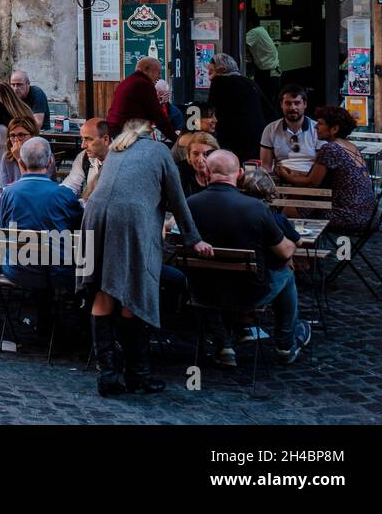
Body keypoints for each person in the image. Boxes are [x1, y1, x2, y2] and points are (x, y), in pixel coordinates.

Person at [79, 118, 213, 396]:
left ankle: (108, 376)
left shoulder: (116, 148)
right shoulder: (159, 151)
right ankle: (137, 375)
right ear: (151, 134)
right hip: (130, 220)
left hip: (94, 216)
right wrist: (194, 238)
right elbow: (177, 198)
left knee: (103, 290)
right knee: (132, 291)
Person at [187, 150, 312, 365]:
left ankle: (223, 346)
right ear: (240, 173)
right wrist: (293, 242)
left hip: (203, 291)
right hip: (249, 294)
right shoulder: (256, 208)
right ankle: (285, 344)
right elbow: (284, 252)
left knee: (209, 280)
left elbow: (171, 229)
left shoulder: (189, 204)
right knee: (287, 274)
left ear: (207, 172)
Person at [0, 137, 84, 338]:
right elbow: (78, 228)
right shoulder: (62, 194)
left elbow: (0, 230)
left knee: (39, 257)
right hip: (56, 271)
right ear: (51, 161)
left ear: (21, 162)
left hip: (17, 268)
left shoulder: (9, 193)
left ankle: (45, 321)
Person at [275, 104, 378, 235]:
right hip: (368, 216)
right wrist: (295, 173)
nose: (315, 127)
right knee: (299, 201)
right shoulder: (350, 146)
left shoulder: (331, 149)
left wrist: (286, 176)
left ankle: (297, 250)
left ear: (334, 129)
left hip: (349, 217)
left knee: (290, 209)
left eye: (320, 123)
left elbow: (312, 183)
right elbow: (318, 176)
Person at [206, 53, 273, 163]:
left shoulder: (219, 82)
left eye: (211, 71)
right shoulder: (250, 83)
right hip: (257, 140)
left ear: (221, 70)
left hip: (232, 141)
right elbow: (269, 111)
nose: (209, 75)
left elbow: (211, 112)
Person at [105, 57, 178, 143]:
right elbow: (158, 116)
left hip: (115, 131)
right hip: (127, 134)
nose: (159, 77)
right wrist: (176, 139)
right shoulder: (143, 84)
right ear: (146, 70)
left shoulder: (127, 81)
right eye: (158, 72)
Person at [259, 85, 317, 179]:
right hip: (281, 179)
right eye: (288, 103)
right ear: (281, 105)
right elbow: (266, 166)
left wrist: (297, 175)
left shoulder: (317, 129)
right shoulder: (270, 129)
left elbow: (322, 168)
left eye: (297, 103)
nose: (292, 107)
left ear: (305, 104)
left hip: (310, 179)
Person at [63, 118, 110, 201]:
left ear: (105, 139)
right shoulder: (83, 157)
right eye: (82, 139)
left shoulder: (121, 160)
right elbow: (69, 187)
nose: (83, 146)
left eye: (89, 139)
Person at [244, 8, 281, 101]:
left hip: (268, 76)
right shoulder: (261, 30)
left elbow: (240, 46)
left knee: (266, 106)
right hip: (272, 73)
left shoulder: (254, 32)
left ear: (249, 24)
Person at [173, 130, 219, 197]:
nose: (200, 160)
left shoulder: (224, 174)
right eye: (195, 154)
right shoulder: (178, 174)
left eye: (206, 154)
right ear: (189, 156)